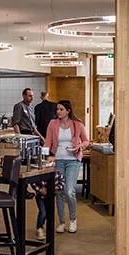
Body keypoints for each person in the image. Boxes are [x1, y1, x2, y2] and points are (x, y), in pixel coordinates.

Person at [44, 100, 89, 234]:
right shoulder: (53, 124)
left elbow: (86, 141)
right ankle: (62, 222)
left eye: (61, 109)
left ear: (68, 111)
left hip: (73, 160)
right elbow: (47, 142)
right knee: (60, 191)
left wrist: (79, 146)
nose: (58, 111)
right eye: (57, 109)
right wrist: (47, 156)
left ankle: (73, 219)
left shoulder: (77, 124)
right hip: (58, 160)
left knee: (70, 190)